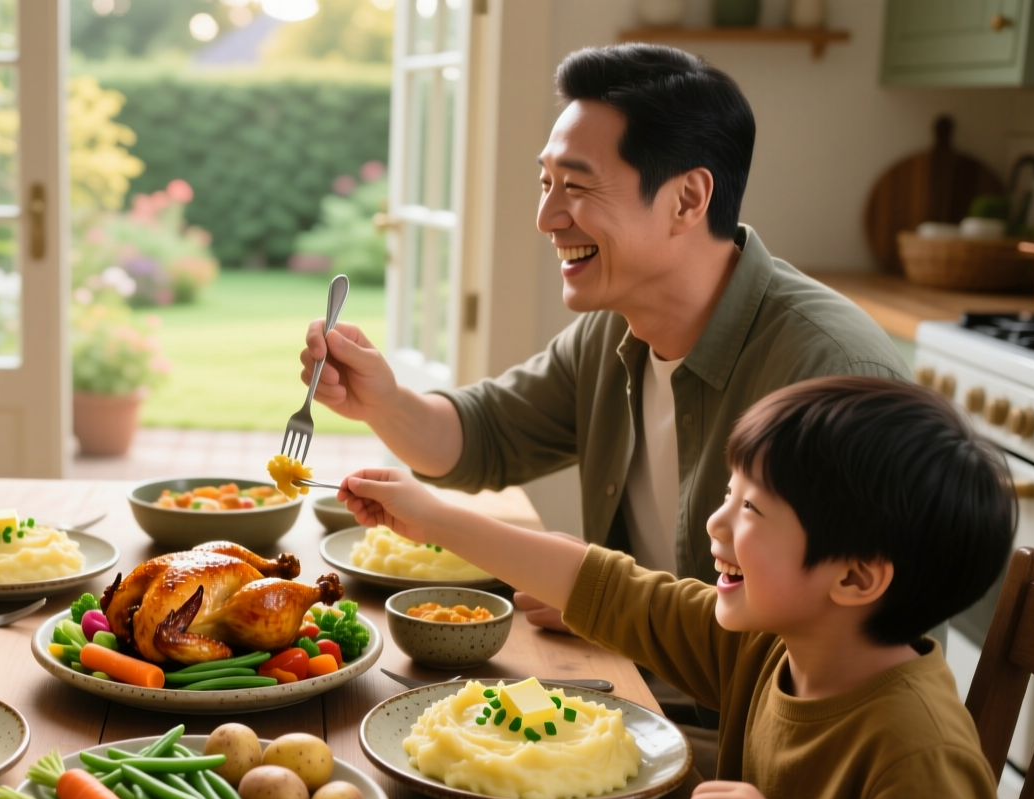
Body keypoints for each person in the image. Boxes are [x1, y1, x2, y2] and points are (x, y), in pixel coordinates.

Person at [337, 376, 1011, 799]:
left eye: (752, 510)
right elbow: (616, 590)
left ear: (855, 578)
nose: (717, 523)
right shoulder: (771, 642)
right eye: (729, 493)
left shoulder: (919, 745)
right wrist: (432, 518)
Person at [299, 44, 909, 626]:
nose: (546, 218)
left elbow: (837, 646)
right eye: (546, 183)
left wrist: (605, 605)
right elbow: (484, 436)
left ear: (686, 200)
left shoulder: (830, 375)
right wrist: (383, 401)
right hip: (637, 687)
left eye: (578, 185)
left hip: (741, 730)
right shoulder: (614, 331)